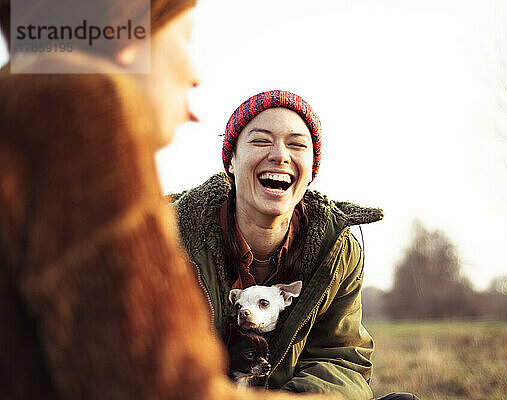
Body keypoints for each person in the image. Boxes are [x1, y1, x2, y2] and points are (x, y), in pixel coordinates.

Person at [0, 2, 335, 399]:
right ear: (127, 30)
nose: (195, 76)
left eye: (296, 144)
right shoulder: (78, 106)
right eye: (185, 37)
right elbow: (162, 387)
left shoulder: (30, 97)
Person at [173, 90, 418, 400]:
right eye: (261, 141)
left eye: (297, 144)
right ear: (231, 162)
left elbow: (341, 359)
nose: (280, 155)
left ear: (311, 169)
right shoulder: (169, 237)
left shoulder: (337, 251)